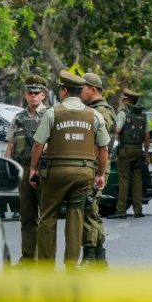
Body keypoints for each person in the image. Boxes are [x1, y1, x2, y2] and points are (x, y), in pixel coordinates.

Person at [28, 71, 110, 269]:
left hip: (56, 173)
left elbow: (38, 144)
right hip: (83, 174)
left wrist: (33, 169)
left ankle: (46, 267)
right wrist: (100, 174)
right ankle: (71, 266)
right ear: (80, 92)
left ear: (64, 91)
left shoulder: (52, 113)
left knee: (48, 217)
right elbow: (103, 148)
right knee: (75, 217)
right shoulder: (95, 115)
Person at [5, 75, 49, 265]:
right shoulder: (19, 118)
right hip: (23, 168)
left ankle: (43, 257)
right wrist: (7, 166)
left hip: (44, 168)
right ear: (25, 95)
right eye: (29, 93)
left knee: (45, 215)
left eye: (36, 93)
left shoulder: (50, 115)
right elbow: (10, 145)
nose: (33, 96)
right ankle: (28, 256)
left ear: (43, 96)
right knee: (27, 214)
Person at [79, 72, 116, 268]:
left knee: (88, 211)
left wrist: (93, 169)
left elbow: (99, 144)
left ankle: (90, 257)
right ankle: (99, 259)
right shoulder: (96, 109)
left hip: (95, 166)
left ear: (93, 90)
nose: (80, 92)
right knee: (92, 211)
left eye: (83, 88)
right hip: (95, 165)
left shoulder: (100, 112)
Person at [109, 88, 150, 219]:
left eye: (124, 99)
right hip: (139, 150)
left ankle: (121, 211)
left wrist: (112, 126)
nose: (123, 101)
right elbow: (147, 136)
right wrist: (146, 152)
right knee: (137, 180)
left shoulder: (123, 114)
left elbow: (117, 130)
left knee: (124, 181)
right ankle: (138, 210)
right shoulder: (143, 115)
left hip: (125, 151)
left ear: (127, 100)